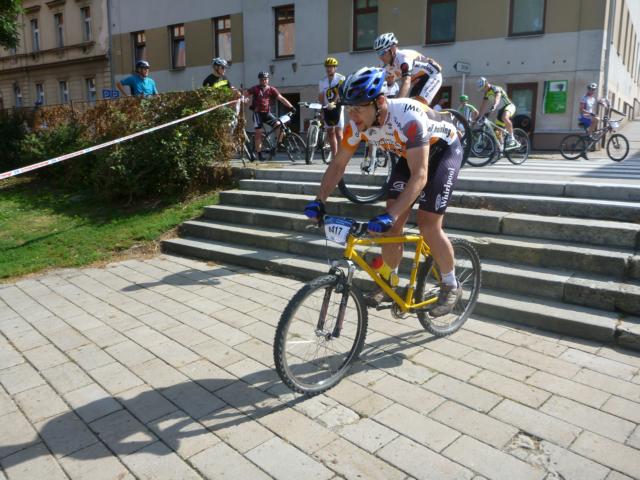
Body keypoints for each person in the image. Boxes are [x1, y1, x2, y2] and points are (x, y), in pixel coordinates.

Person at [303, 67, 464, 316]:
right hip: (407, 153)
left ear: (379, 102)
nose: (353, 115)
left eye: (358, 108)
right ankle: (390, 280)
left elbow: (420, 175)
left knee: (428, 224)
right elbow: (338, 164)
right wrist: (319, 200)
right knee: (392, 223)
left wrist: (391, 214)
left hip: (443, 151)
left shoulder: (408, 117)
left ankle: (450, 283)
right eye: (349, 108)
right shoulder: (358, 125)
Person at [374, 32, 442, 106]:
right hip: (417, 80)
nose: (380, 57)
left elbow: (406, 82)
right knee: (409, 107)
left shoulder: (403, 58)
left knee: (418, 105)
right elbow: (380, 83)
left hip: (432, 75)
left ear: (392, 49)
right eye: (378, 53)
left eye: (382, 52)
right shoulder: (384, 64)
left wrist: (396, 103)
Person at [246, 71, 295, 161]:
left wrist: (291, 107)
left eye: (265, 79)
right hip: (257, 114)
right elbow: (246, 94)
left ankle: (278, 144)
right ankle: (259, 154)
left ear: (268, 80)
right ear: (259, 80)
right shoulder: (256, 89)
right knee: (258, 132)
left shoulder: (271, 89)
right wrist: (243, 98)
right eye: (262, 79)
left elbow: (281, 98)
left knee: (279, 125)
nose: (264, 81)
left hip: (267, 113)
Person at [476, 77, 517, 147]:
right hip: (500, 110)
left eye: (483, 89)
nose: (483, 91)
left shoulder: (496, 88)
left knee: (505, 117)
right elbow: (483, 106)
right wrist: (479, 116)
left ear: (486, 84)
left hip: (509, 106)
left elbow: (497, 98)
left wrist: (494, 106)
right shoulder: (486, 94)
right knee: (497, 132)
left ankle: (511, 137)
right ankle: (501, 149)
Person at [318, 57, 345, 157]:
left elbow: (339, 92)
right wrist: (322, 109)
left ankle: (341, 156)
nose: (329, 69)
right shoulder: (322, 81)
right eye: (327, 67)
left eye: (331, 67)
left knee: (339, 133)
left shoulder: (341, 78)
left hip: (337, 107)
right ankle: (335, 155)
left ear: (335, 68)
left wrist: (334, 102)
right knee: (330, 133)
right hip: (327, 108)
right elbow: (321, 96)